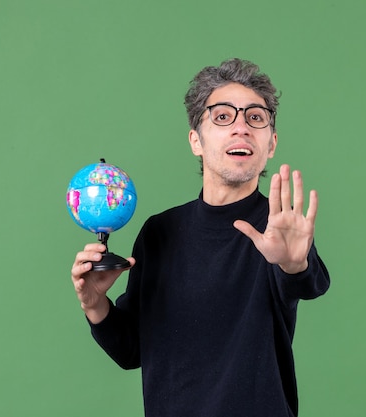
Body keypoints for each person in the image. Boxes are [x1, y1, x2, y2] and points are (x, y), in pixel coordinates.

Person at [71, 58, 330, 417]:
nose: (241, 128)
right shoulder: (159, 233)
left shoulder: (277, 226)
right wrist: (95, 304)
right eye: (223, 117)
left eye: (255, 117)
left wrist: (294, 262)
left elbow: (308, 280)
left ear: (271, 143)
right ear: (196, 140)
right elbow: (132, 351)